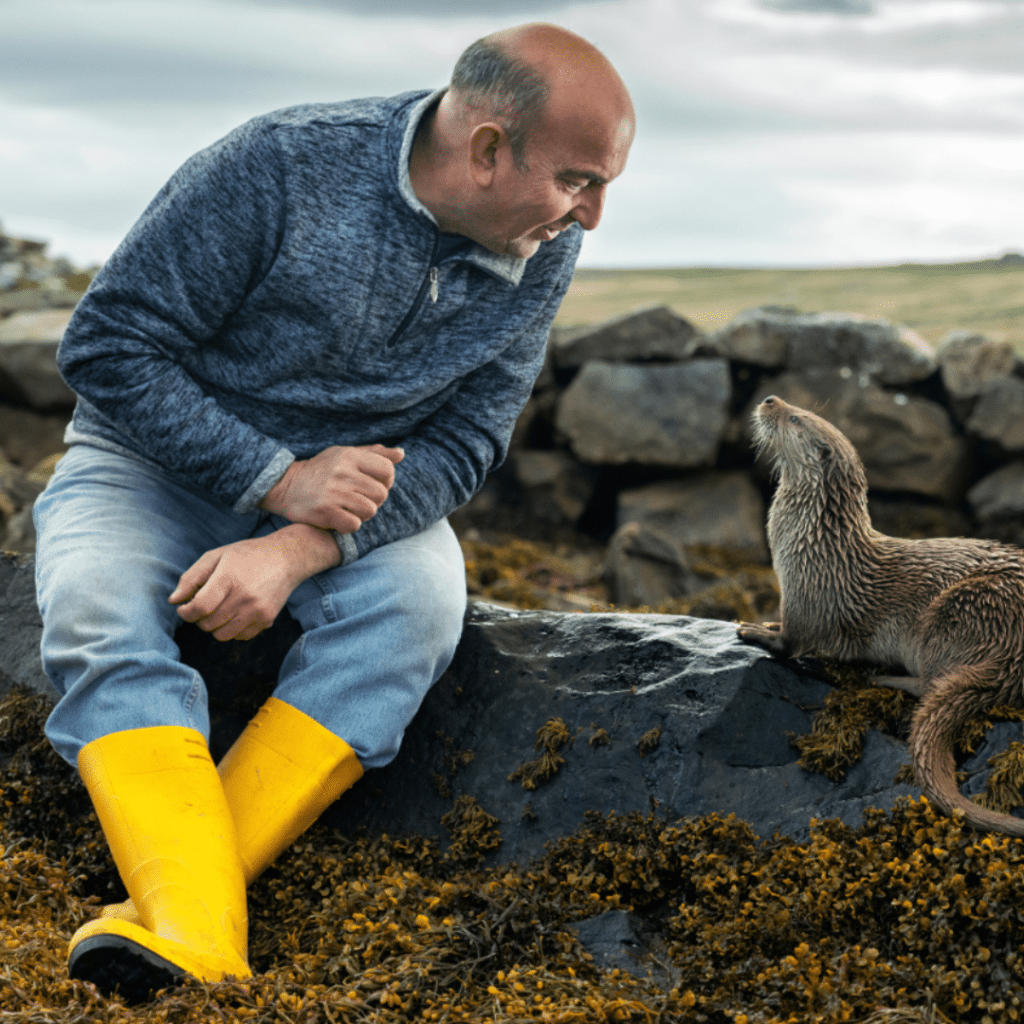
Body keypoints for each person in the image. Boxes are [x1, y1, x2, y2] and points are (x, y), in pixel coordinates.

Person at [33, 21, 635, 1000]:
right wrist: (274, 477)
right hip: (144, 467)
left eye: (602, 184)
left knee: (421, 608)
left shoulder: (541, 241)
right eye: (579, 180)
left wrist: (300, 545)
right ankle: (206, 932)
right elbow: (107, 348)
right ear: (486, 149)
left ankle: (180, 912)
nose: (593, 215)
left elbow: (469, 443)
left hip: (352, 505)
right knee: (96, 605)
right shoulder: (275, 166)